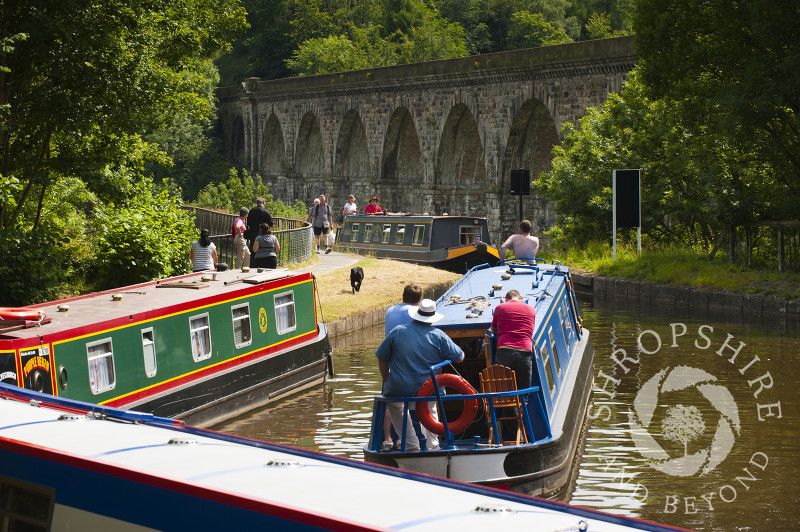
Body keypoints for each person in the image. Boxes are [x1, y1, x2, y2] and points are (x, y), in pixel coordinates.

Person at [375, 299, 464, 451]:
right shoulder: (438, 335)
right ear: (432, 317)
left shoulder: (397, 331)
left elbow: (381, 358)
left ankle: (411, 446)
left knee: (397, 406)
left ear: (416, 315)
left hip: (399, 389)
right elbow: (460, 356)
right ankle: (432, 447)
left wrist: (386, 379)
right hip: (429, 389)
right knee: (430, 408)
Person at [490, 289, 535, 392]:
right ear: (521, 299)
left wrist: (502, 307)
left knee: (507, 395)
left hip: (504, 352)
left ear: (506, 299)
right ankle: (523, 406)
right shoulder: (531, 309)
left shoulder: (499, 308)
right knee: (524, 394)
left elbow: (493, 329)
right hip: (524, 352)